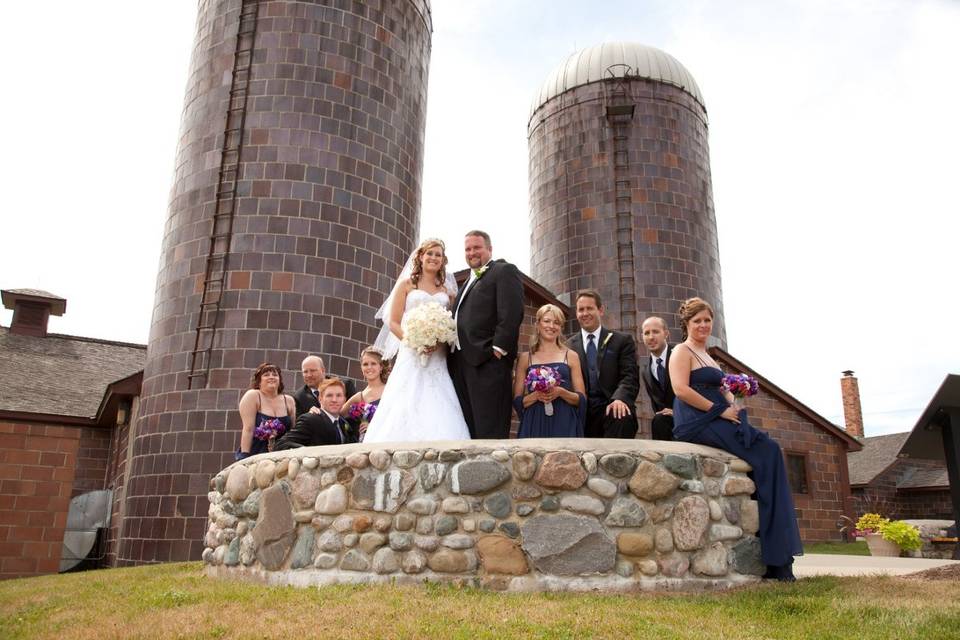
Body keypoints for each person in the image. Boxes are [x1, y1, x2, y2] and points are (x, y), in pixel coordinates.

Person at [669, 297, 802, 581]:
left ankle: (777, 554)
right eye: (697, 321)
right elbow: (680, 389)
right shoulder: (682, 350)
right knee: (767, 452)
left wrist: (736, 402)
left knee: (770, 451)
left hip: (720, 415)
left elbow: (725, 390)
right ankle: (776, 560)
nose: (703, 325)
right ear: (686, 324)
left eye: (707, 320)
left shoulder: (709, 356)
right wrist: (719, 409)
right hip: (697, 420)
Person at [364, 238, 471, 443]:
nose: (433, 258)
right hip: (411, 350)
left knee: (438, 395)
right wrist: (414, 341)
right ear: (420, 257)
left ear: (443, 260)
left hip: (437, 355)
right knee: (406, 394)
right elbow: (393, 321)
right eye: (429, 253)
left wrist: (438, 342)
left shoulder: (447, 292)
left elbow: (451, 324)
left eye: (438, 255)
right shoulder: (407, 285)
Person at [448, 230, 524, 439]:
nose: (472, 252)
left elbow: (511, 312)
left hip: (487, 362)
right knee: (468, 427)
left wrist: (497, 350)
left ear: (489, 249)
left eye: (477, 247)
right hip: (460, 364)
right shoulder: (465, 284)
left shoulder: (503, 271)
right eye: (468, 249)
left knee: (489, 426)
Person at [567, 289, 640, 439]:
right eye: (581, 309)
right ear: (576, 314)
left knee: (620, 414)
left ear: (600, 310)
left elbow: (630, 376)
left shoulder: (622, 341)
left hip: (611, 406)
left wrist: (619, 398)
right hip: (582, 410)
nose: (585, 313)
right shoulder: (567, 347)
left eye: (589, 308)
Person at [513, 304, 586, 437]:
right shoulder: (525, 358)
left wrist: (561, 392)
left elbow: (581, 399)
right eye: (547, 321)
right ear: (538, 324)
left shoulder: (571, 356)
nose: (551, 326)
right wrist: (535, 396)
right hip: (534, 422)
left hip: (564, 421)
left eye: (556, 323)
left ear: (560, 328)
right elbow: (517, 400)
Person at [236, 363, 296, 460]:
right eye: (266, 375)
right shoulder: (253, 396)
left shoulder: (289, 400)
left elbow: (293, 430)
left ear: (279, 380)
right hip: (257, 453)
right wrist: (244, 456)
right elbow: (248, 429)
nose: (271, 377)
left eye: (275, 375)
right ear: (259, 381)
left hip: (282, 455)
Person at [274, 378, 354, 449]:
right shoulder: (310, 420)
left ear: (344, 399)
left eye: (339, 395)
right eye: (329, 395)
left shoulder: (344, 424)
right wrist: (311, 452)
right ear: (320, 399)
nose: (334, 400)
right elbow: (281, 444)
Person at [341, 346, 389, 441]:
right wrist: (315, 411)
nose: (369, 367)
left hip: (387, 440)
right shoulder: (359, 396)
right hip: (366, 442)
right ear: (361, 368)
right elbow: (337, 414)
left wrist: (373, 427)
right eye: (365, 364)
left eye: (373, 364)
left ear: (381, 367)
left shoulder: (390, 390)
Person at [640, 316, 675, 441]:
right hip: (665, 427)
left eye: (655, 331)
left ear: (666, 333)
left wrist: (679, 412)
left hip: (688, 418)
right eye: (646, 333)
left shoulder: (679, 354)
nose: (651, 337)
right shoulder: (645, 371)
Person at [292, 355, 357, 419]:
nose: (309, 375)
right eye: (305, 372)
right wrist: (309, 417)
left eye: (313, 371)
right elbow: (298, 423)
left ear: (323, 371)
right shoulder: (299, 397)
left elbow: (357, 412)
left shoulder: (345, 385)